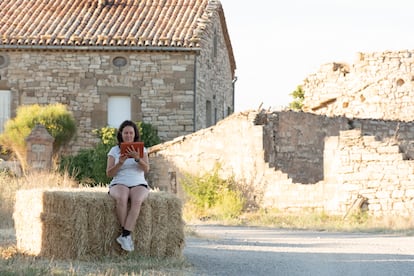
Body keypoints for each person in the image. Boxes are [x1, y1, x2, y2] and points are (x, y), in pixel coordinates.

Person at [106, 120, 150, 252]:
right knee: (122, 198)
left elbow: (147, 169)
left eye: (131, 133)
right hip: (119, 181)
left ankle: (125, 235)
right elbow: (109, 173)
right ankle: (127, 235)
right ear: (121, 134)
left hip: (138, 182)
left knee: (137, 200)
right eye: (126, 133)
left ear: (135, 134)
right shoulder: (114, 150)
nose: (129, 135)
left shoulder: (142, 149)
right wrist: (120, 163)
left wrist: (137, 158)